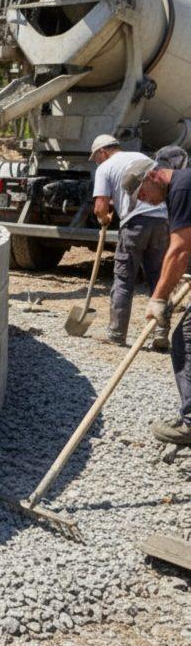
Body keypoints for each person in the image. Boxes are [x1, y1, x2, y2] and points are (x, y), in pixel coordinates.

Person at [120, 156, 191, 444]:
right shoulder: (183, 187)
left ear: (152, 176)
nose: (146, 202)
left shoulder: (182, 190)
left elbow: (179, 251)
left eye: (144, 195)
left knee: (185, 339)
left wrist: (158, 298)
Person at [90, 135, 170, 349]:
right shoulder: (143, 157)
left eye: (96, 158)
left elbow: (100, 206)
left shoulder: (105, 167)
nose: (97, 162)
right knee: (159, 277)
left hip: (135, 223)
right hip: (162, 219)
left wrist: (104, 218)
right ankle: (161, 332)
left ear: (103, 152)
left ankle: (116, 334)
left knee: (124, 279)